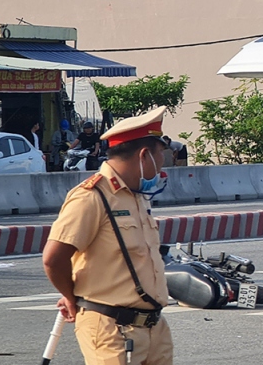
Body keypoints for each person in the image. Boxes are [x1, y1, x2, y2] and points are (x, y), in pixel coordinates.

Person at [42, 106, 173, 365]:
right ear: (144, 155)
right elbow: (53, 259)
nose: (162, 163)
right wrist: (71, 297)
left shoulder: (136, 195)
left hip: (154, 327)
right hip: (112, 328)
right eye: (161, 154)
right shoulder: (92, 196)